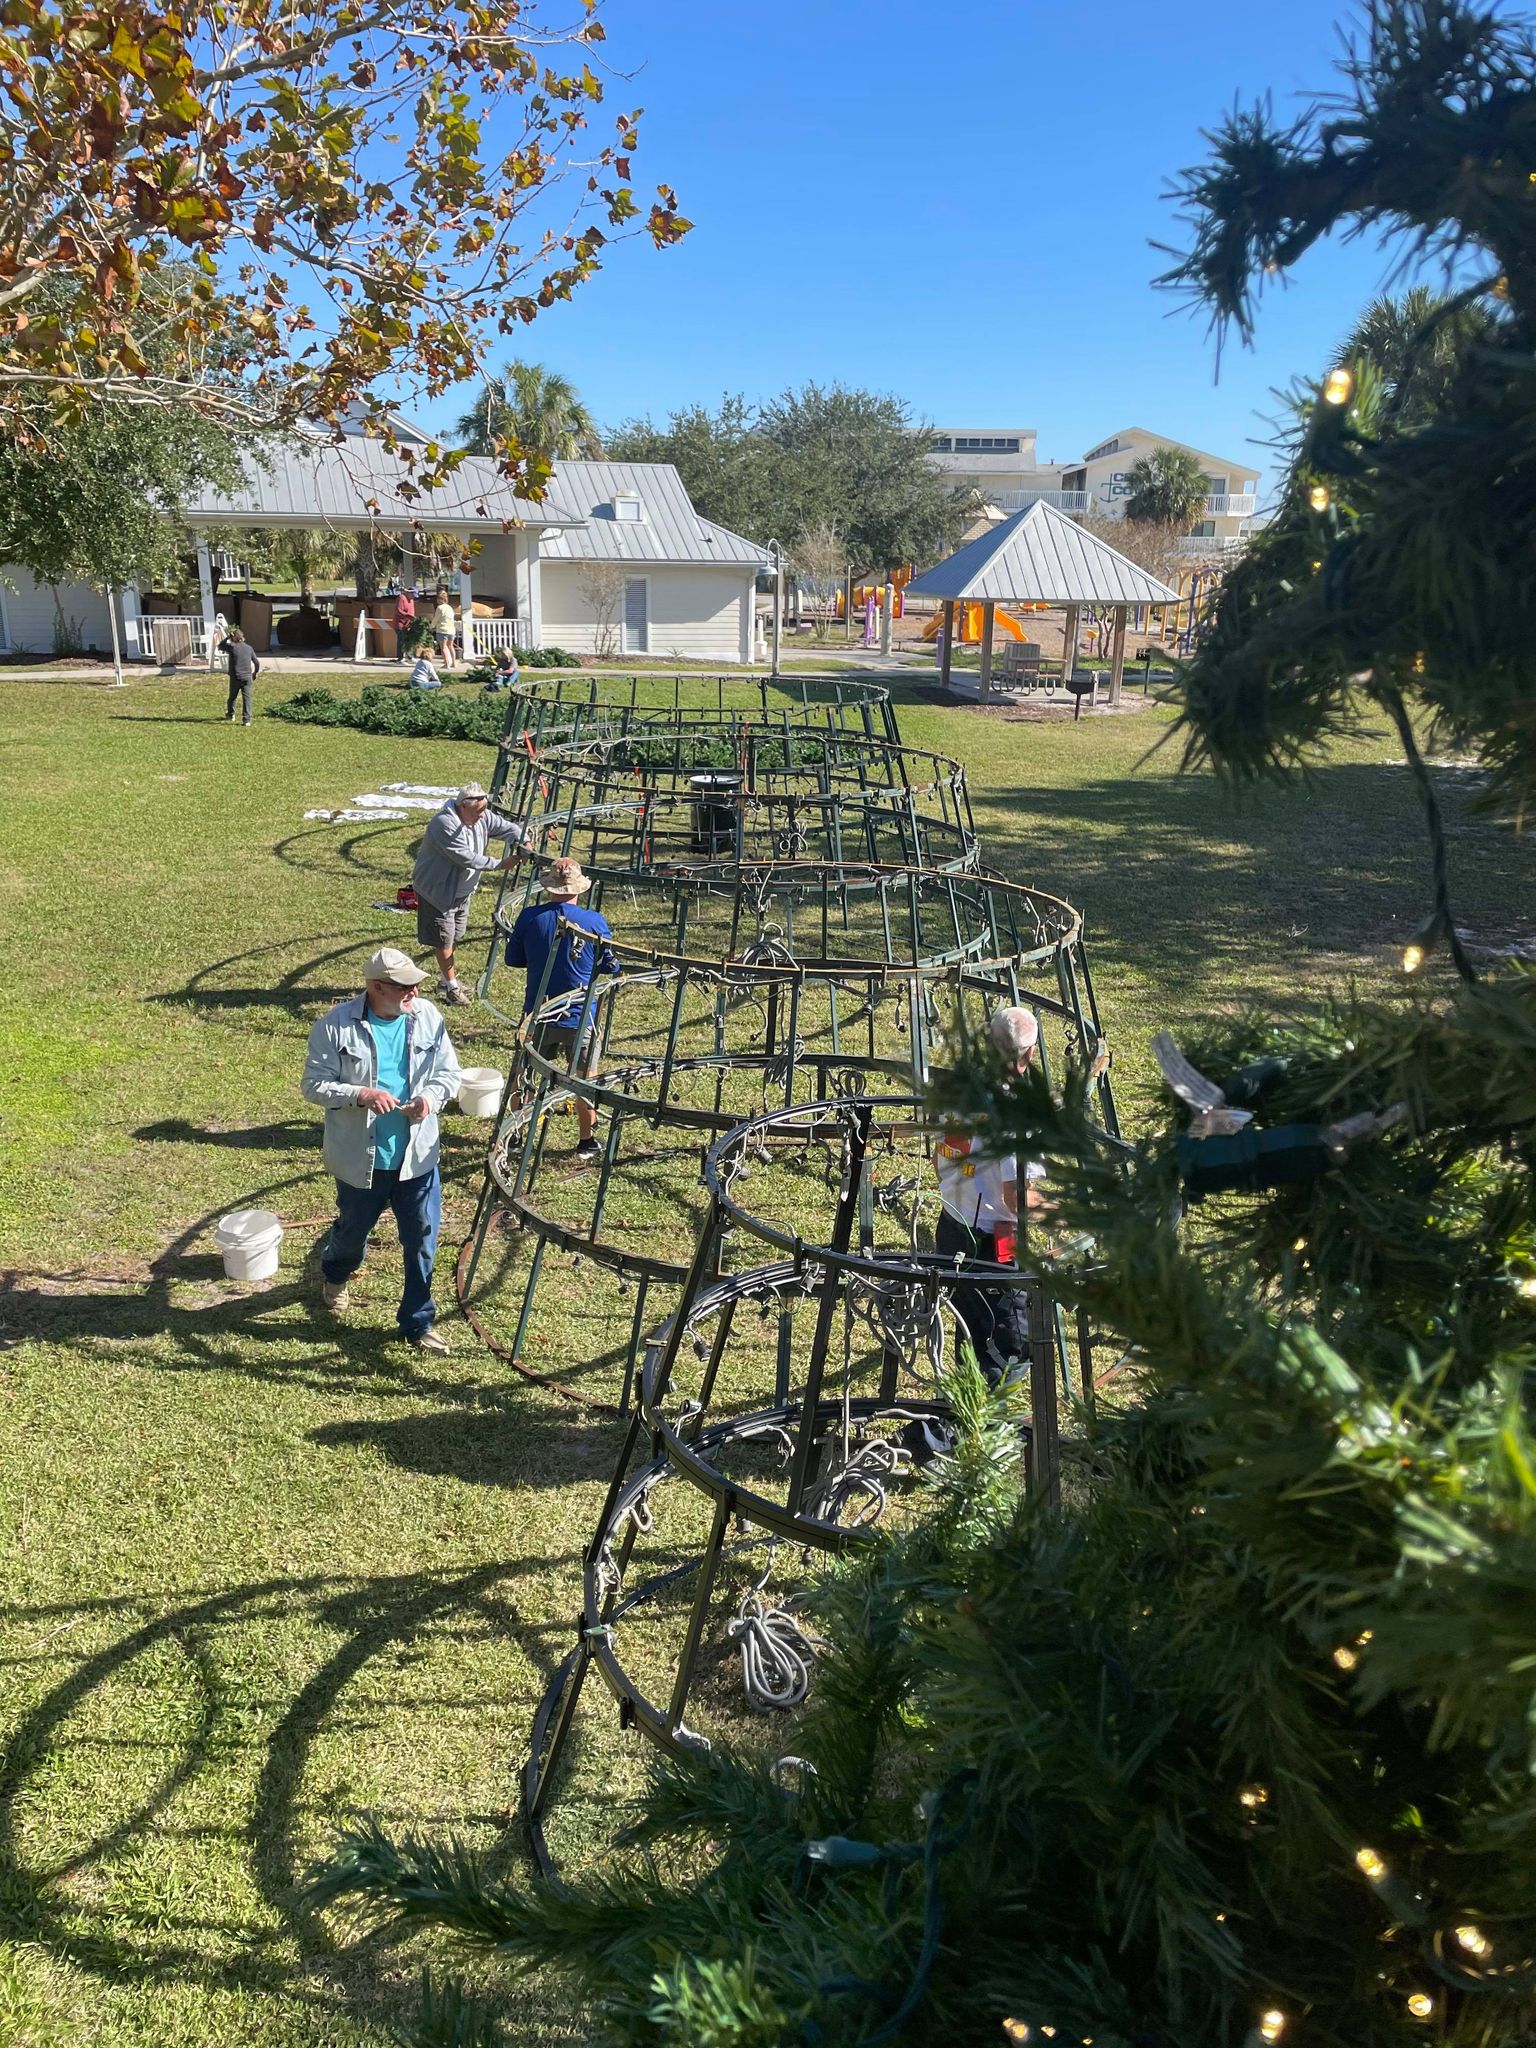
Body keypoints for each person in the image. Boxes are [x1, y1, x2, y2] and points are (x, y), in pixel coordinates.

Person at [300, 946, 462, 1353]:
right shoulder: (334, 1028)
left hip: (418, 1159)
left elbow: (449, 1072)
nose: (415, 992)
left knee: (422, 1240)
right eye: (405, 986)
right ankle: (336, 1274)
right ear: (376, 988)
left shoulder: (428, 1017)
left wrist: (431, 1098)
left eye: (417, 984)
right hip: (361, 1161)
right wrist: (360, 1094)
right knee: (352, 1232)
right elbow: (313, 1085)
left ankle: (417, 1322)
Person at [932, 1006, 1048, 1385]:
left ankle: (961, 1420)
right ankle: (960, 1429)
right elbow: (1018, 1198)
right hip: (992, 1245)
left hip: (952, 1228)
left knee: (970, 1333)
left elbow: (939, 1157)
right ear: (1028, 1055)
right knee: (1008, 1352)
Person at [505, 856, 619, 1162]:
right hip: (581, 1015)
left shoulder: (530, 917)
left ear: (549, 887)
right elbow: (611, 965)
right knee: (585, 1077)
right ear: (578, 888)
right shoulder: (594, 921)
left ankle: (516, 1133)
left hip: (538, 1012)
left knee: (526, 1071)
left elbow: (513, 959)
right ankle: (587, 1141)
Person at [410, 779, 531, 1007]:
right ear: (462, 806)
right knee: (444, 940)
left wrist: (523, 840)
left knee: (455, 936)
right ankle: (453, 989)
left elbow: (507, 827)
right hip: (438, 891)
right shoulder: (444, 824)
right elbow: (465, 857)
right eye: (477, 812)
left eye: (484, 810)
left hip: (462, 891)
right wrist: (499, 864)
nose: (482, 816)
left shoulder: (481, 815)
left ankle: (446, 980)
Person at [223, 627, 260, 725]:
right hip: (247, 677)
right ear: (242, 637)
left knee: (232, 697)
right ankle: (247, 720)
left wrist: (227, 637)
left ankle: (231, 715)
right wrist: (255, 673)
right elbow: (257, 662)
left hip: (235, 676)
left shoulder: (232, 647)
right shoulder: (249, 648)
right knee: (246, 698)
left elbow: (220, 646)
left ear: (233, 638)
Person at [431, 587, 458, 669]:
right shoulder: (450, 608)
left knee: (444, 647)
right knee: (451, 646)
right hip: (451, 630)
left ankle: (447, 664)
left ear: (439, 600)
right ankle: (454, 663)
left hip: (442, 629)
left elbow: (436, 618)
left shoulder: (440, 608)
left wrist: (431, 626)